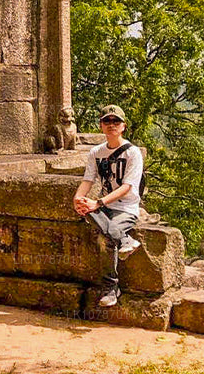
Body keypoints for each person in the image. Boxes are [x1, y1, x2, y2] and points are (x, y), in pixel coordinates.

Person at [73, 104, 144, 307]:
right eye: (107, 121)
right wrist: (78, 199)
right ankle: (125, 240)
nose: (111, 125)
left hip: (126, 208)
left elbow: (128, 188)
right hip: (103, 208)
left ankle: (111, 288)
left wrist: (98, 202)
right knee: (86, 210)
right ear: (101, 126)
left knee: (105, 238)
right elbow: (88, 180)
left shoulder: (133, 153)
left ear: (123, 126)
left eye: (116, 121)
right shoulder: (96, 152)